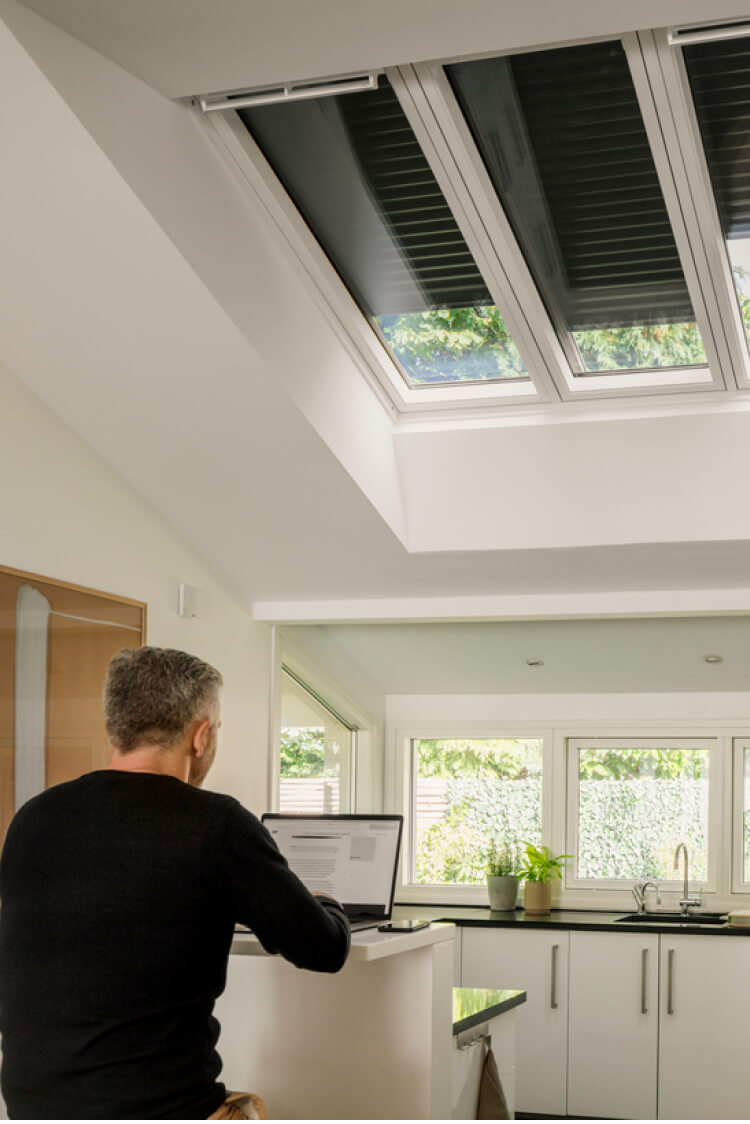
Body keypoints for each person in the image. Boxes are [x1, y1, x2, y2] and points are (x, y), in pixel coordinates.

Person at [0, 646, 350, 1119]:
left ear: (116, 725)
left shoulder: (33, 818)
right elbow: (323, 949)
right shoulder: (216, 823)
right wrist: (326, 903)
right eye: (217, 728)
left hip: (31, 1109)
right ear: (201, 736)